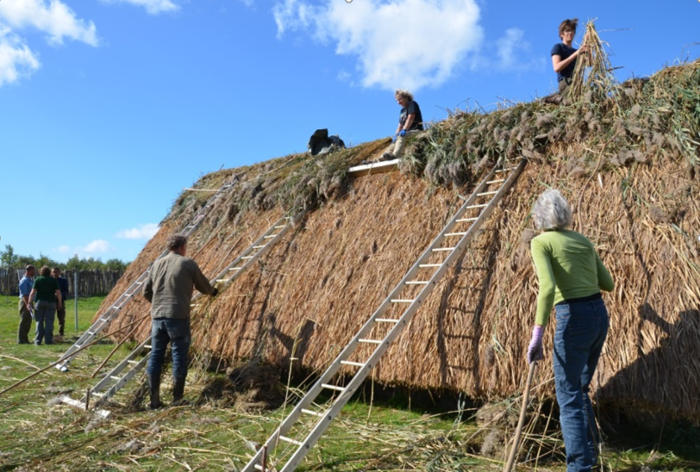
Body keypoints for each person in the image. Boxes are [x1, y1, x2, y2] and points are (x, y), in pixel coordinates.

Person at [527, 189, 614, 472]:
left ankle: (579, 467)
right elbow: (608, 284)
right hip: (599, 314)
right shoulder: (583, 241)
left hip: (573, 317)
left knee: (567, 397)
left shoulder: (541, 243)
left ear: (538, 218)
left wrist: (537, 336)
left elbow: (548, 288)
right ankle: (589, 457)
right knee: (579, 389)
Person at [142, 234, 218, 409]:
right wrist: (214, 292)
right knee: (179, 357)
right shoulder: (187, 263)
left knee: (155, 356)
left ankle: (154, 401)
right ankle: (177, 399)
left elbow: (146, 292)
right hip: (178, 317)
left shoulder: (156, 264)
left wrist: (158, 304)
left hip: (158, 318)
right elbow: (204, 286)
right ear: (182, 247)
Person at [380, 89, 424, 161]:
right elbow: (400, 125)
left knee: (401, 136)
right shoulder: (402, 111)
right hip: (406, 132)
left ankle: (396, 155)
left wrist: (404, 130)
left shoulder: (412, 104)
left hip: (416, 131)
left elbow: (410, 117)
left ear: (406, 97)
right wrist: (395, 135)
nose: (398, 102)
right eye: (396, 101)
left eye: (399, 99)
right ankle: (380, 159)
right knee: (394, 142)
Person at [551, 18, 589, 94]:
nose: (570, 33)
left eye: (572, 30)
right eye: (567, 31)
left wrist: (587, 42)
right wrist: (576, 54)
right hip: (565, 83)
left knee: (590, 93)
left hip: (577, 83)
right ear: (561, 34)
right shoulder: (558, 47)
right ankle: (555, 99)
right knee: (577, 98)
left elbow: (590, 63)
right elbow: (556, 67)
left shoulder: (576, 51)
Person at [28, 266, 62, 345]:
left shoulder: (38, 279)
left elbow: (32, 292)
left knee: (39, 321)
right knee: (49, 322)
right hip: (50, 302)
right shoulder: (53, 280)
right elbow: (58, 292)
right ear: (49, 272)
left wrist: (29, 302)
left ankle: (38, 341)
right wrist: (59, 303)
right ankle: (48, 340)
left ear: (41, 272)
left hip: (39, 302)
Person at [18, 265, 36, 344]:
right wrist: (27, 304)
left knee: (28, 321)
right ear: (29, 270)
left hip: (29, 301)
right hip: (25, 301)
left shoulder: (29, 280)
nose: (34, 272)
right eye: (33, 271)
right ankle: (21, 340)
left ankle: (25, 339)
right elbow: (24, 294)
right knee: (24, 320)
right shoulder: (24, 280)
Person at [51, 267, 70, 337]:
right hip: (51, 301)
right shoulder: (50, 280)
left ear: (59, 272)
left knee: (61, 317)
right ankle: (50, 333)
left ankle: (61, 333)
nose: (54, 273)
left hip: (61, 300)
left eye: (56, 272)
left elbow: (66, 291)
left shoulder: (63, 281)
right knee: (50, 318)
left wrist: (59, 295)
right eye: (53, 272)